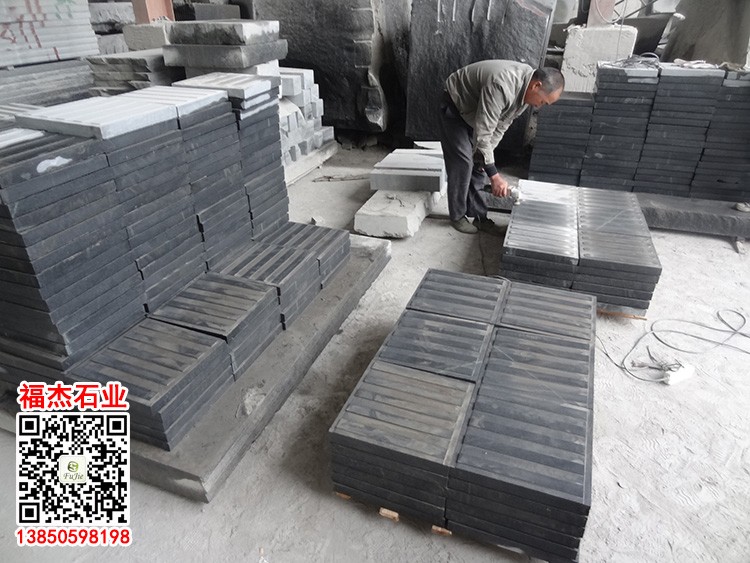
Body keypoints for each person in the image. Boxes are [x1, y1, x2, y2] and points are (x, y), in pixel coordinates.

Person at [440, 61, 565, 234]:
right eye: (543, 101)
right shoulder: (501, 85)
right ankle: (457, 216)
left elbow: (501, 126)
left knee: (479, 164)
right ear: (536, 85)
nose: (539, 106)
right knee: (463, 162)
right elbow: (484, 132)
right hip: (456, 104)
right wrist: (495, 176)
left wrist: (485, 159)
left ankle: (479, 217)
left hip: (477, 111)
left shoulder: (525, 93)